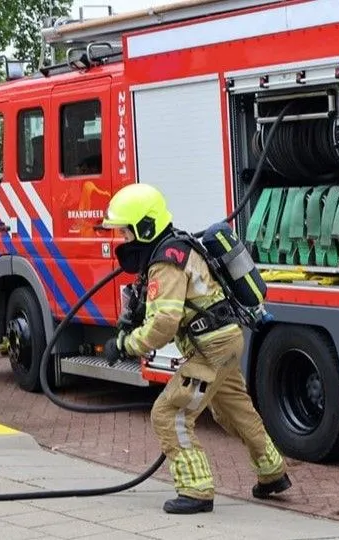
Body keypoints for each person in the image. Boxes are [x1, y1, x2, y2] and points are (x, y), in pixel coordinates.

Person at [100, 183, 291, 515]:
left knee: (169, 412)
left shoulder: (165, 262)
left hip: (210, 349)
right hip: (227, 339)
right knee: (234, 410)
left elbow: (164, 323)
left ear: (145, 228)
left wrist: (125, 344)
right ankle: (272, 472)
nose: (123, 241)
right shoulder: (179, 246)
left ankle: (196, 490)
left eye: (126, 233)